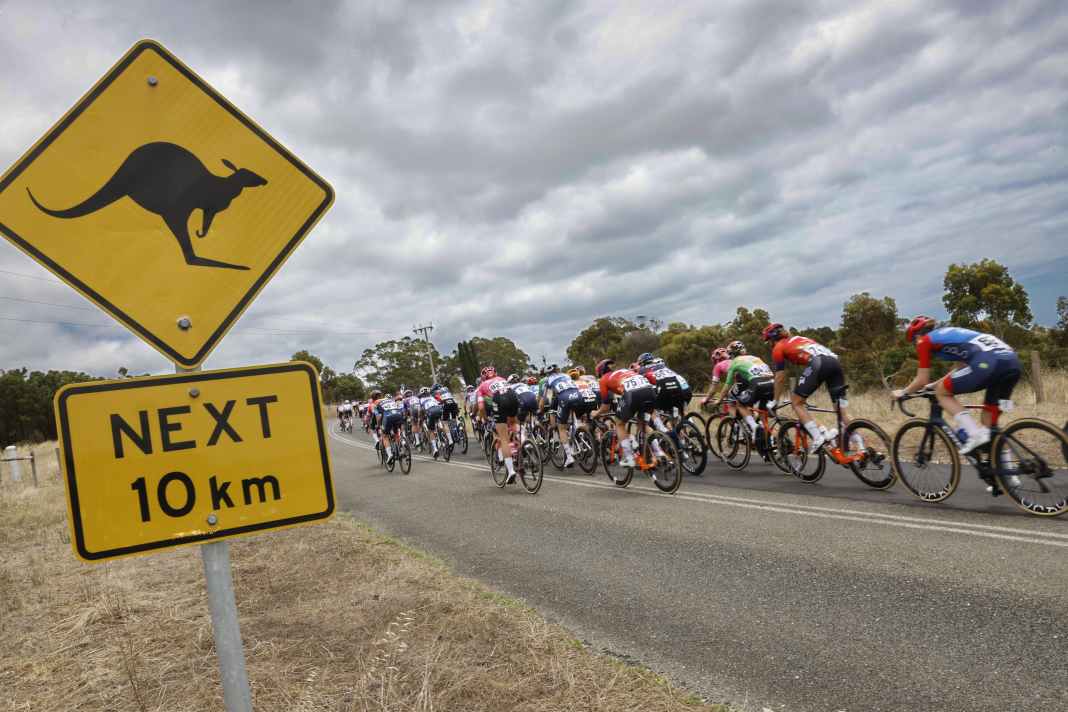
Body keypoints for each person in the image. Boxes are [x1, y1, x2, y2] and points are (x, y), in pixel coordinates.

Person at [893, 316, 1021, 454]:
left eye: (913, 341)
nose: (915, 345)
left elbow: (921, 380)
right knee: (989, 428)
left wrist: (903, 392)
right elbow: (961, 368)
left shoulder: (924, 340)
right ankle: (1006, 473)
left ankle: (973, 434)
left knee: (942, 393)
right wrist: (935, 384)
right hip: (1012, 363)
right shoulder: (949, 334)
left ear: (917, 336)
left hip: (989, 362)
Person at [764, 324, 852, 453]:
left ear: (772, 339)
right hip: (835, 363)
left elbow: (780, 377)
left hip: (819, 363)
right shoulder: (799, 339)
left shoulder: (778, 347)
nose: (769, 344)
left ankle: (818, 437)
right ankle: (861, 447)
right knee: (841, 412)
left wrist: (775, 401)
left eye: (769, 341)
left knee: (796, 403)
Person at [593, 358, 659, 468]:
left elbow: (606, 406)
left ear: (600, 372)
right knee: (643, 424)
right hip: (650, 391)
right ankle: (658, 452)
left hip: (633, 394)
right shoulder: (624, 371)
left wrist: (596, 413)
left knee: (619, 423)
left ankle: (629, 458)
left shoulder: (604, 379)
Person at [709, 341, 774, 440]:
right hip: (772, 383)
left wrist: (719, 400)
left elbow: (727, 385)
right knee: (762, 415)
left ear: (731, 354)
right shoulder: (755, 358)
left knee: (740, 404)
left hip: (758, 384)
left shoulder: (734, 362)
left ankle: (754, 427)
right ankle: (772, 441)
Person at [476, 365, 521, 482]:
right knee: (513, 424)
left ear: (483, 377)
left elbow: (481, 407)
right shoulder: (502, 379)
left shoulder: (481, 386)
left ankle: (511, 471)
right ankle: (524, 442)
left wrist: (485, 419)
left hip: (499, 400)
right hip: (513, 397)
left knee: (503, 438)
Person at [538, 364, 581, 467]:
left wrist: (541, 409)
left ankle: (569, 457)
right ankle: (580, 434)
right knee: (576, 418)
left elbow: (546, 398)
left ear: (548, 374)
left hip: (565, 398)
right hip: (578, 395)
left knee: (561, 427)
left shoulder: (548, 380)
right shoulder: (566, 376)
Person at [419, 386, 444, 458]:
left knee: (431, 431)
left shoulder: (421, 400)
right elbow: (440, 403)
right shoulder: (432, 397)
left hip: (431, 412)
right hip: (439, 410)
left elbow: (420, 411)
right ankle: (444, 436)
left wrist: (421, 418)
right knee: (440, 422)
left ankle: (435, 449)